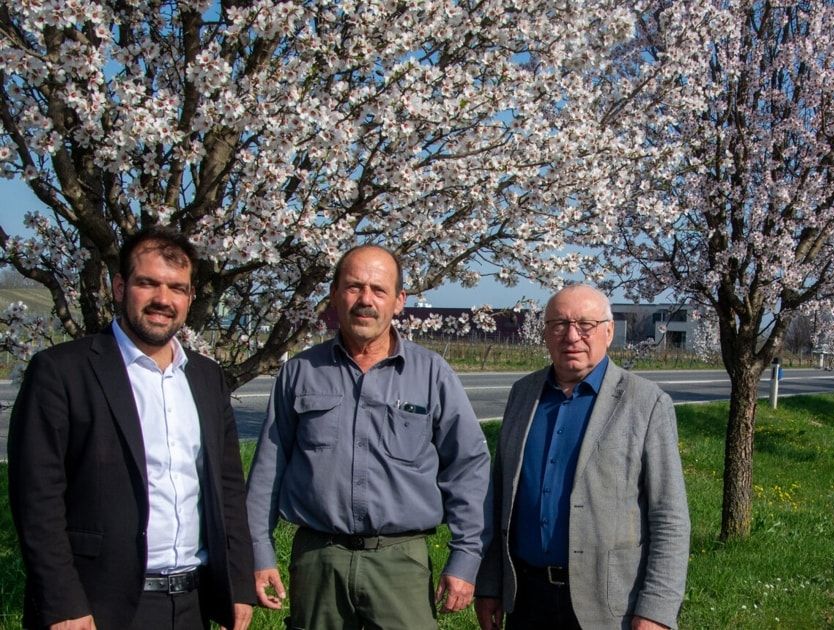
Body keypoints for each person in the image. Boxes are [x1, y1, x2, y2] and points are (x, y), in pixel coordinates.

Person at [7, 226, 255, 630]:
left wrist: (238, 583)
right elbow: (37, 499)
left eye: (177, 288)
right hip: (98, 606)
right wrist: (63, 604)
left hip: (192, 603)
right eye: (148, 283)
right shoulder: (61, 372)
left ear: (190, 297)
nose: (163, 299)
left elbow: (228, 488)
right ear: (120, 287)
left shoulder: (206, 377)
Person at [245, 244, 490, 629]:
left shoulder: (432, 374)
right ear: (334, 295)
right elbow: (267, 470)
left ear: (399, 301)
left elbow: (467, 467)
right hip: (318, 560)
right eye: (354, 287)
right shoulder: (300, 373)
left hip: (401, 562)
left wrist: (465, 557)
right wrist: (258, 552)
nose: (365, 300)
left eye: (378, 289)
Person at [474, 285, 691, 630]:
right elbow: (499, 496)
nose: (572, 336)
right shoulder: (523, 394)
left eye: (585, 325)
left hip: (608, 605)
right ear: (545, 333)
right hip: (526, 597)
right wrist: (489, 583)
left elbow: (669, 515)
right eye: (559, 324)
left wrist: (657, 610)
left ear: (609, 331)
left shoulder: (646, 403)